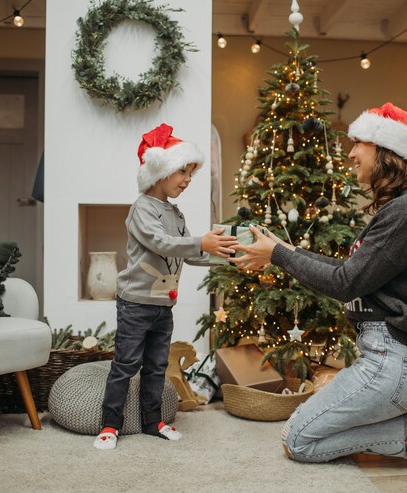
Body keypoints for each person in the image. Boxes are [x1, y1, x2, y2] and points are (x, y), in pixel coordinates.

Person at [231, 103, 407, 479]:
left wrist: (281, 255)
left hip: (398, 362)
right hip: (391, 357)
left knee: (298, 441)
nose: (350, 154)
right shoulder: (404, 206)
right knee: (303, 431)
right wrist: (281, 254)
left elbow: (346, 283)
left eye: (358, 143)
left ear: (385, 150)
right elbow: (351, 273)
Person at [94, 123, 238, 450]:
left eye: (191, 173)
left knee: (157, 366)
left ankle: (152, 421)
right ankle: (109, 424)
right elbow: (163, 243)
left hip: (163, 306)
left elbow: (187, 252)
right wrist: (201, 241)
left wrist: (224, 257)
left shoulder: (175, 213)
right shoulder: (141, 209)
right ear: (160, 171)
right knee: (126, 364)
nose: (188, 179)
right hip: (136, 304)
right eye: (182, 172)